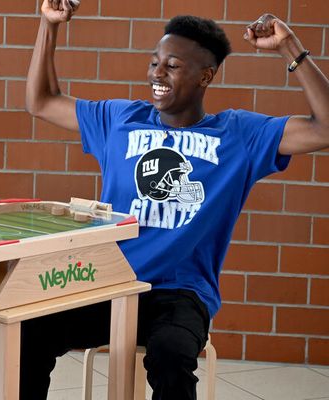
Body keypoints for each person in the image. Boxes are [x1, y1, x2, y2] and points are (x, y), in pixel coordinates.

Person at [23, 1, 329, 399]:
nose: (157, 73)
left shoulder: (238, 135)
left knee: (169, 355)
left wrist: (291, 49)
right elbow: (41, 100)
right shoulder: (120, 120)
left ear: (206, 76)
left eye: (172, 65)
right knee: (30, 330)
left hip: (179, 294)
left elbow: (325, 129)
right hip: (105, 285)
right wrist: (49, 24)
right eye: (154, 63)